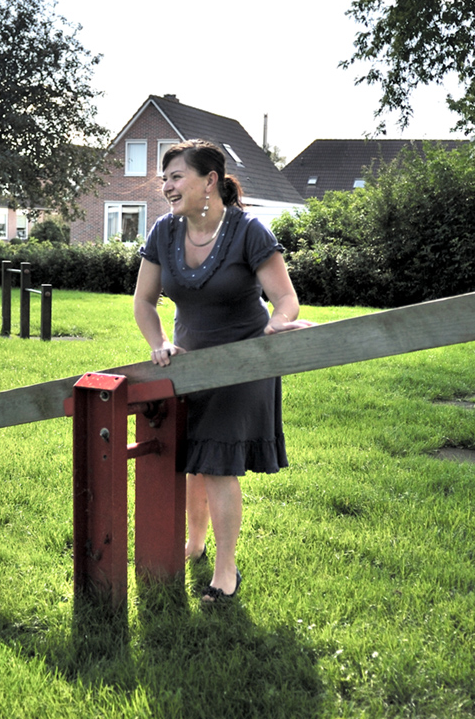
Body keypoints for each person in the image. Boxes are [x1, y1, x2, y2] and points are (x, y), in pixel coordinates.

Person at [134, 139, 312, 602]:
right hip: (189, 364)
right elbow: (144, 302)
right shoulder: (163, 232)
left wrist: (278, 323)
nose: (167, 187)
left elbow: (286, 299)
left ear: (209, 180)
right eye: (165, 179)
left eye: (177, 177)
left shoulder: (248, 231)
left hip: (243, 361)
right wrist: (160, 343)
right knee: (192, 463)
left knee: (215, 465)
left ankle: (226, 572)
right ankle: (193, 544)